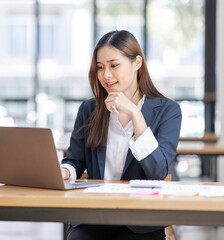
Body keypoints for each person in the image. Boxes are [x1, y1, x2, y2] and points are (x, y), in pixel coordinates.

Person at [60, 30, 182, 240]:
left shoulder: (167, 111)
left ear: (137, 63)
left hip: (141, 222)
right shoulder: (89, 110)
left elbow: (157, 172)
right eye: (100, 67)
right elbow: (75, 161)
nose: (106, 75)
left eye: (114, 65)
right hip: (94, 218)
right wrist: (64, 170)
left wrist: (135, 114)